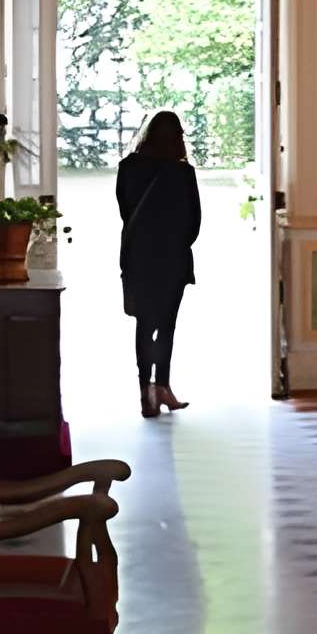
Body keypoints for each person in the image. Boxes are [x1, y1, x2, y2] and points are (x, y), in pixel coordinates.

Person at [117, 111, 202, 417]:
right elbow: (194, 223)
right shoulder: (182, 173)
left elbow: (126, 213)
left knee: (144, 324)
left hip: (139, 259)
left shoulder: (127, 168)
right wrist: (174, 243)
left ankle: (145, 392)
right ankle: (162, 387)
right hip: (173, 260)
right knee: (166, 326)